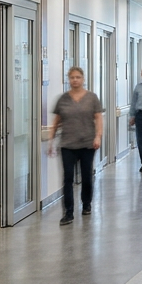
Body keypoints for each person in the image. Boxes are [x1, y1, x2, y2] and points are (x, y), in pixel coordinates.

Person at [48, 66, 103, 226]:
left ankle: (86, 204)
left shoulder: (92, 98)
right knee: (68, 178)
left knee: (86, 177)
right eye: (72, 77)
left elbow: (98, 118)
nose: (75, 80)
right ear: (68, 79)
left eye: (78, 77)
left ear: (83, 79)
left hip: (87, 143)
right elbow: (57, 121)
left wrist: (98, 136)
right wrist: (51, 141)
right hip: (67, 144)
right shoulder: (63, 99)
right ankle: (68, 212)